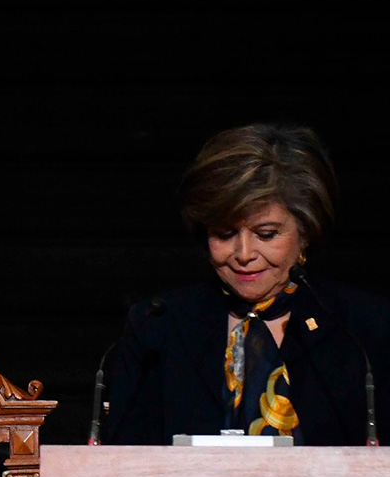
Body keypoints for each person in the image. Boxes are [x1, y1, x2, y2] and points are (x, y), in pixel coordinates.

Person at [104, 124, 390, 446]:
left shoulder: (366, 329)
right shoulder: (157, 326)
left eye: (266, 234)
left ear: (306, 231)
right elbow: (121, 459)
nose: (243, 254)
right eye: (225, 235)